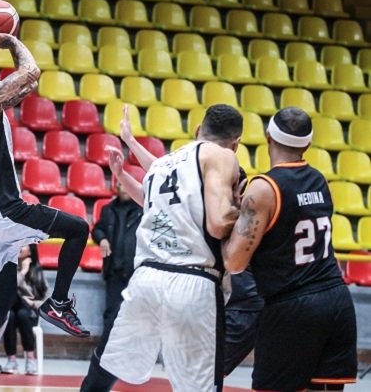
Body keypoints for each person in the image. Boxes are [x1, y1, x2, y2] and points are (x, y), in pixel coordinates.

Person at [0, 28, 90, 392]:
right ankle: (57, 302)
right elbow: (31, 73)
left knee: (6, 294)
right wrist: (10, 40)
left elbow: (24, 86)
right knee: (78, 229)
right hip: (3, 208)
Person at [81, 104, 243, 392]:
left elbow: (149, 200)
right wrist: (246, 212)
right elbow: (219, 225)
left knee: (109, 363)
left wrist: (124, 162)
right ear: (236, 143)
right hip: (193, 279)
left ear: (197, 131)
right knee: (200, 385)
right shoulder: (222, 156)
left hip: (146, 280)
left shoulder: (164, 163)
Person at [221, 107, 357, 391]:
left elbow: (234, 262)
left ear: (268, 136)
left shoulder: (264, 188)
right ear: (307, 144)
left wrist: (230, 213)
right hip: (336, 300)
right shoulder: (320, 180)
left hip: (292, 307)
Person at [90, 181, 143, 358]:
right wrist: (102, 238)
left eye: (126, 184)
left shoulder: (144, 210)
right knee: (111, 313)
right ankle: (107, 352)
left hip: (136, 271)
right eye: (120, 184)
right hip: (114, 270)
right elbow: (97, 229)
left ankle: (133, 355)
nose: (124, 188)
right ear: (116, 188)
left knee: (136, 315)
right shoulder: (108, 210)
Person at [1, 244, 48, 376]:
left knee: (22, 314)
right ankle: (12, 360)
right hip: (11, 307)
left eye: (24, 245)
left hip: (29, 311)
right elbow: (8, 288)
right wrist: (22, 272)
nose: (20, 247)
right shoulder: (9, 267)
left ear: (31, 250)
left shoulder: (37, 270)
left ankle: (30, 359)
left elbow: (43, 298)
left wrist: (31, 303)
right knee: (8, 316)